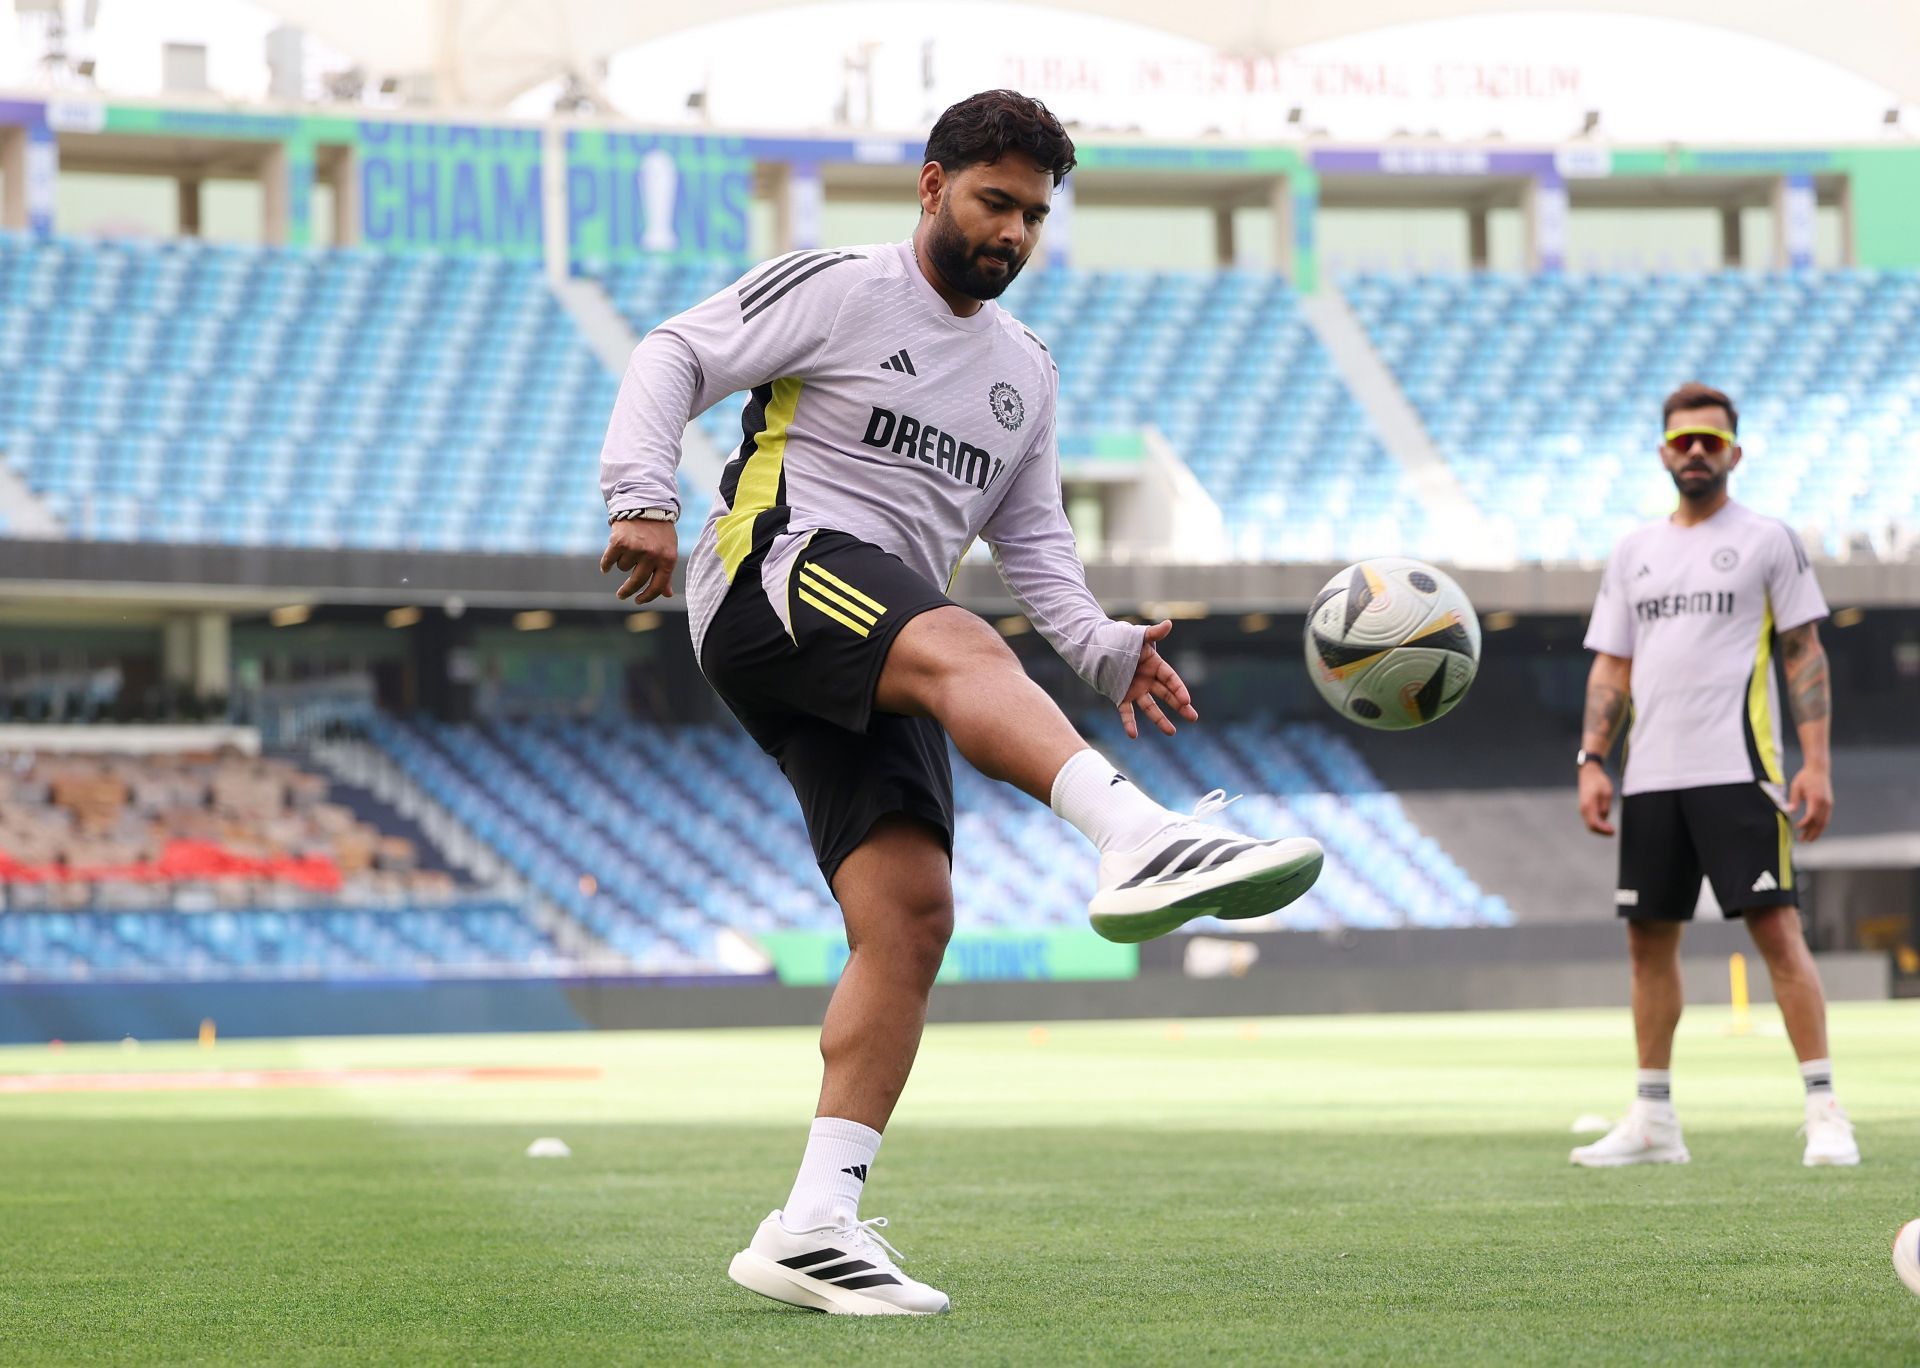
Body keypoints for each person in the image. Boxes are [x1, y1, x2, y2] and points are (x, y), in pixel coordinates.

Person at [596, 89, 1324, 1315]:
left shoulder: (1024, 373)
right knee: (958, 645)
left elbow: (1035, 541)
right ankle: (1137, 837)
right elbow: (675, 350)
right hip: (778, 566)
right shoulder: (837, 286)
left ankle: (814, 1221)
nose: (1014, 234)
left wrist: (1101, 648)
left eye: (1036, 215)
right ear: (932, 186)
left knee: (914, 915)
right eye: (995, 202)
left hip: (877, 630)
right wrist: (640, 491)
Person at [1571, 381, 1856, 1169]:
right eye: (1682, 439)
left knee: (1777, 932)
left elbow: (1803, 652)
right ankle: (1654, 1119)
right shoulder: (1634, 551)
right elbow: (1612, 663)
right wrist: (1593, 759)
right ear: (1664, 451)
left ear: (1735, 450)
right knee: (1647, 943)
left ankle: (1826, 1110)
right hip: (1650, 776)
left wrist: (1818, 764)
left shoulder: (1767, 540)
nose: (1696, 450)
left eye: (1710, 438)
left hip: (1741, 771)